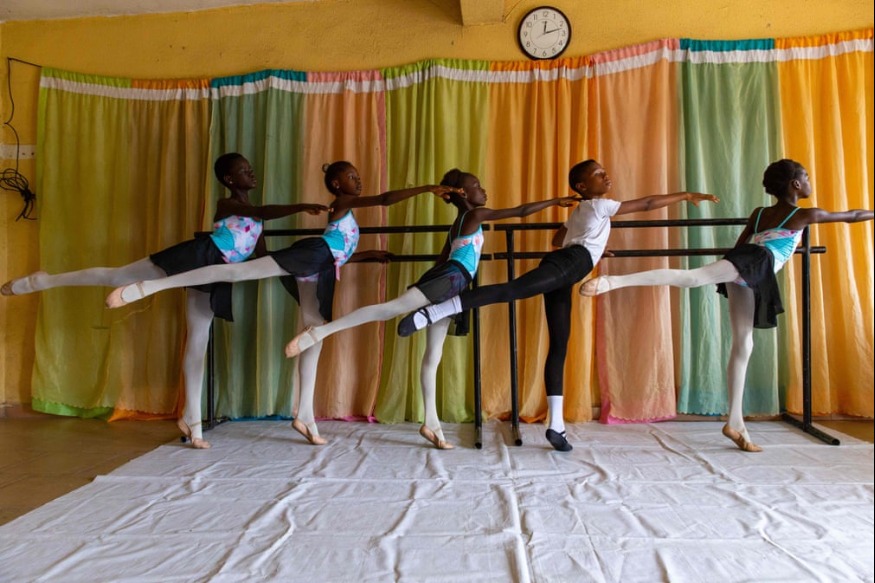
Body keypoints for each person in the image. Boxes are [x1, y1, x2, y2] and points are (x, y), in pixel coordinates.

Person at [107, 160, 459, 445]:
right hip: (311, 256)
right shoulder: (343, 204)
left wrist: (367, 255)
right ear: (337, 185)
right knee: (236, 273)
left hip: (320, 266)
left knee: (315, 332)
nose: (358, 181)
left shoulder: (347, 215)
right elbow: (384, 200)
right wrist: (427, 188)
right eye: (351, 177)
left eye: (357, 176)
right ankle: (151, 286)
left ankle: (304, 416)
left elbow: (338, 251)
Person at [2, 152, 329, 449]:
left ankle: (192, 421)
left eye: (250, 168)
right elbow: (259, 210)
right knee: (116, 276)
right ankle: (42, 281)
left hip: (213, 275)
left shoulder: (257, 222)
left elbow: (262, 261)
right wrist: (300, 207)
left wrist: (297, 281)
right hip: (195, 256)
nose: (251, 173)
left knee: (198, 340)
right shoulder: (228, 204)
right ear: (230, 179)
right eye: (244, 170)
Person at [396, 159, 718, 452]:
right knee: (513, 290)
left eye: (604, 172)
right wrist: (685, 195)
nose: (606, 176)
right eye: (599, 174)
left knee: (559, 343)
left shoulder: (581, 211)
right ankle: (434, 311)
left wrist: (595, 248)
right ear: (581, 186)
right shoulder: (600, 205)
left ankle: (557, 426)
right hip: (569, 264)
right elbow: (646, 204)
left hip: (567, 263)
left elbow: (557, 239)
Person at [579, 158, 874, 452]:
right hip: (753, 263)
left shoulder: (761, 213)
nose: (809, 182)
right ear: (796, 184)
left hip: (750, 268)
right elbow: (852, 215)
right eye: (806, 177)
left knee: (744, 343)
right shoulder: (806, 214)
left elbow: (741, 243)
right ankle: (612, 282)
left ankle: (736, 423)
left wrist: (731, 270)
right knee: (692, 278)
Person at [284, 168, 578, 449]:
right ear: (463, 193)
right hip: (450, 280)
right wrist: (555, 201)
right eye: (476, 186)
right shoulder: (474, 215)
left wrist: (425, 286)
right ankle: (320, 332)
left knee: (433, 354)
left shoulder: (459, 224)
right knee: (390, 309)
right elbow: (520, 211)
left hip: (452, 283)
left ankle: (432, 425)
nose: (483, 190)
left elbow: (442, 258)